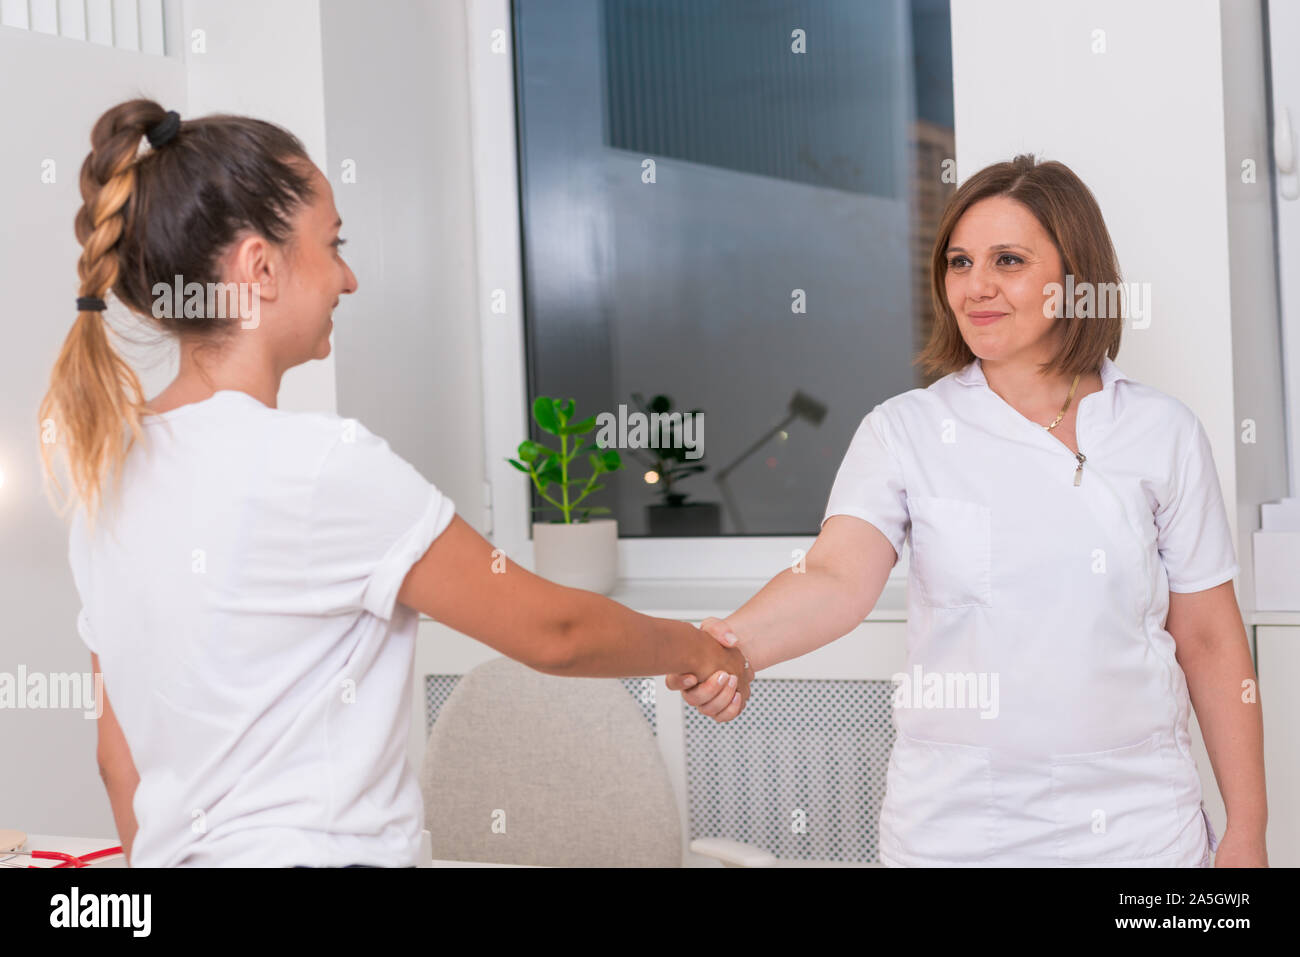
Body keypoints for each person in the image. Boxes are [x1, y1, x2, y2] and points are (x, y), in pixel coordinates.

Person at [38, 100, 751, 868]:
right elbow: (555, 632)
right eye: (332, 244)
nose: (347, 276)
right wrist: (701, 648)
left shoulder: (104, 482)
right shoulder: (318, 466)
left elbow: (120, 761)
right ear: (259, 268)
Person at [668, 154, 1268, 867]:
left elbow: (1209, 640)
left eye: (1007, 260)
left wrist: (1246, 829)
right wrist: (734, 646)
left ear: (1074, 277)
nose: (975, 286)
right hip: (959, 831)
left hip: (1141, 828)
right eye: (958, 262)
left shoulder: (1161, 432)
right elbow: (834, 575)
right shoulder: (905, 431)